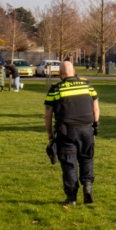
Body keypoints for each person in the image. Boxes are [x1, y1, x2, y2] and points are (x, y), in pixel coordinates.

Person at [44, 61, 100, 205]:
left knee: (69, 164)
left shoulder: (56, 89)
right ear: (74, 71)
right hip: (87, 130)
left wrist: (49, 133)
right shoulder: (88, 86)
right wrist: (95, 126)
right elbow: (96, 109)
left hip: (66, 132)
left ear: (60, 74)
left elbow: (48, 114)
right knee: (87, 159)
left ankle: (71, 198)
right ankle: (87, 188)